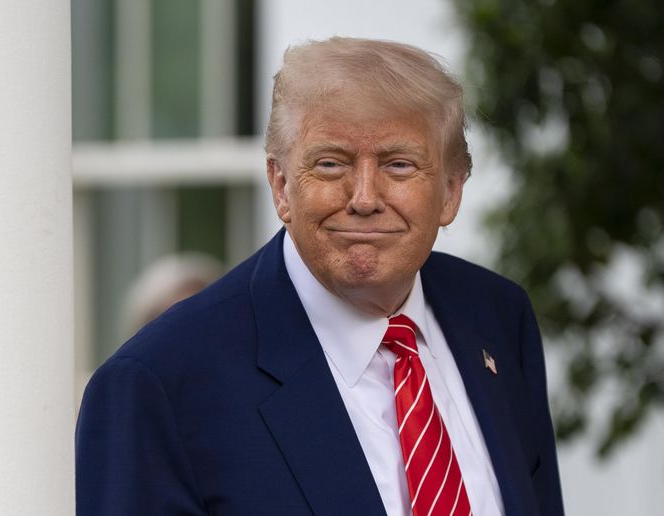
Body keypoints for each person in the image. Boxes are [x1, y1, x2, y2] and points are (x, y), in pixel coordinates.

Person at [76, 37, 564, 516]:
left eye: (399, 164)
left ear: (451, 192)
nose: (365, 197)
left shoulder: (497, 317)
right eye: (331, 164)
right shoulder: (159, 383)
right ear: (281, 184)